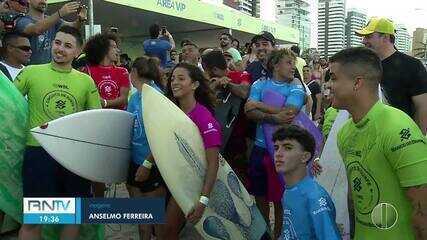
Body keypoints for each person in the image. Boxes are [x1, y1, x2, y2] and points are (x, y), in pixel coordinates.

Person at [329, 47, 427, 239]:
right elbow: (356, 201)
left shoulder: (397, 127)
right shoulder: (345, 133)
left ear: (357, 82)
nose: (328, 86)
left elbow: (423, 208)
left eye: (333, 78)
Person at [14, 25, 100, 240]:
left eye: (68, 46)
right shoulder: (31, 72)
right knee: (35, 219)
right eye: (57, 42)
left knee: (71, 216)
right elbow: (7, 105)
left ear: (77, 52)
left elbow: (98, 121)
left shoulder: (85, 81)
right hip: (39, 153)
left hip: (74, 157)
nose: (60, 49)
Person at [137, 63, 221, 239]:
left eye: (181, 78)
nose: (174, 82)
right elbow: (164, 142)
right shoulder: (173, 112)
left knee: (168, 231)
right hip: (168, 177)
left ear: (195, 85)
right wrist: (147, 163)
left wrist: (203, 199)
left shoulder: (204, 117)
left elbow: (214, 162)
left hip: (188, 183)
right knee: (160, 229)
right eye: (173, 78)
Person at [244, 48, 306, 239]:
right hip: (260, 149)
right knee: (260, 195)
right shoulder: (259, 84)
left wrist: (260, 105)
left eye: (294, 63)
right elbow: (248, 111)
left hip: (284, 151)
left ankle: (279, 233)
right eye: (289, 63)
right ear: (275, 65)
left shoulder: (296, 85)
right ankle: (266, 232)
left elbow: (289, 113)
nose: (293, 67)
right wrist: (275, 116)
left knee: (281, 198)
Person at [356, 17, 427, 134]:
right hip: (370, 136)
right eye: (363, 37)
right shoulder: (364, 66)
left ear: (385, 37)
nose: (363, 41)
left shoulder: (412, 65)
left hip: (402, 137)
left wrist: (419, 139)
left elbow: (423, 106)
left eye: (368, 36)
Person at [273, 125, 341, 240]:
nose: (278, 153)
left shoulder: (315, 198)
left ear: (305, 157)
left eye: (287, 148)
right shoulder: (288, 190)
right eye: (276, 148)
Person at [127, 56, 167, 240]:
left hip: (152, 164)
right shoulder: (135, 97)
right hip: (134, 162)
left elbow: (162, 137)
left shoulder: (156, 97)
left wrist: (147, 164)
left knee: (156, 221)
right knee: (142, 221)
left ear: (134, 72)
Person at [202, 50, 251, 184]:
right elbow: (199, 100)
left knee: (239, 183)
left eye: (206, 70)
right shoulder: (206, 81)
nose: (205, 74)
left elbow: (244, 92)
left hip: (236, 140)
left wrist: (227, 84)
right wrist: (214, 85)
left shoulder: (242, 75)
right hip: (213, 139)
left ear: (215, 69)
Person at [15, 0, 87, 64]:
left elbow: (72, 28)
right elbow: (36, 30)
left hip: (50, 71)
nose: (43, 1)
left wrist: (80, 20)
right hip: (29, 71)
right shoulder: (22, 20)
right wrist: (60, 13)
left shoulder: (53, 20)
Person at [82, 33, 130, 111]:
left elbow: (124, 100)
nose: (118, 50)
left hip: (118, 117)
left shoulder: (122, 72)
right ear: (103, 49)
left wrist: (105, 103)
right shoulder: (88, 71)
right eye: (114, 47)